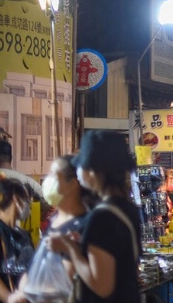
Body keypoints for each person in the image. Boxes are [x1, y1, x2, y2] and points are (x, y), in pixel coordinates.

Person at [48, 130, 142, 303]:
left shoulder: (101, 217)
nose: (78, 172)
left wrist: (70, 249)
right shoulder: (129, 209)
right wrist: (82, 243)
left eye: (81, 166)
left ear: (93, 170)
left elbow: (102, 286)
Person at [8, 155, 94, 303]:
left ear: (73, 184)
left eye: (54, 175)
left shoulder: (82, 225)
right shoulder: (55, 220)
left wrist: (29, 294)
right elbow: (35, 266)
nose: (48, 180)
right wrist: (22, 290)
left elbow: (63, 278)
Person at [0, 178, 34, 301]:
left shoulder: (24, 236)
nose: (29, 206)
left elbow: (26, 270)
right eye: (27, 200)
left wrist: (21, 295)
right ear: (15, 199)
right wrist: (9, 298)